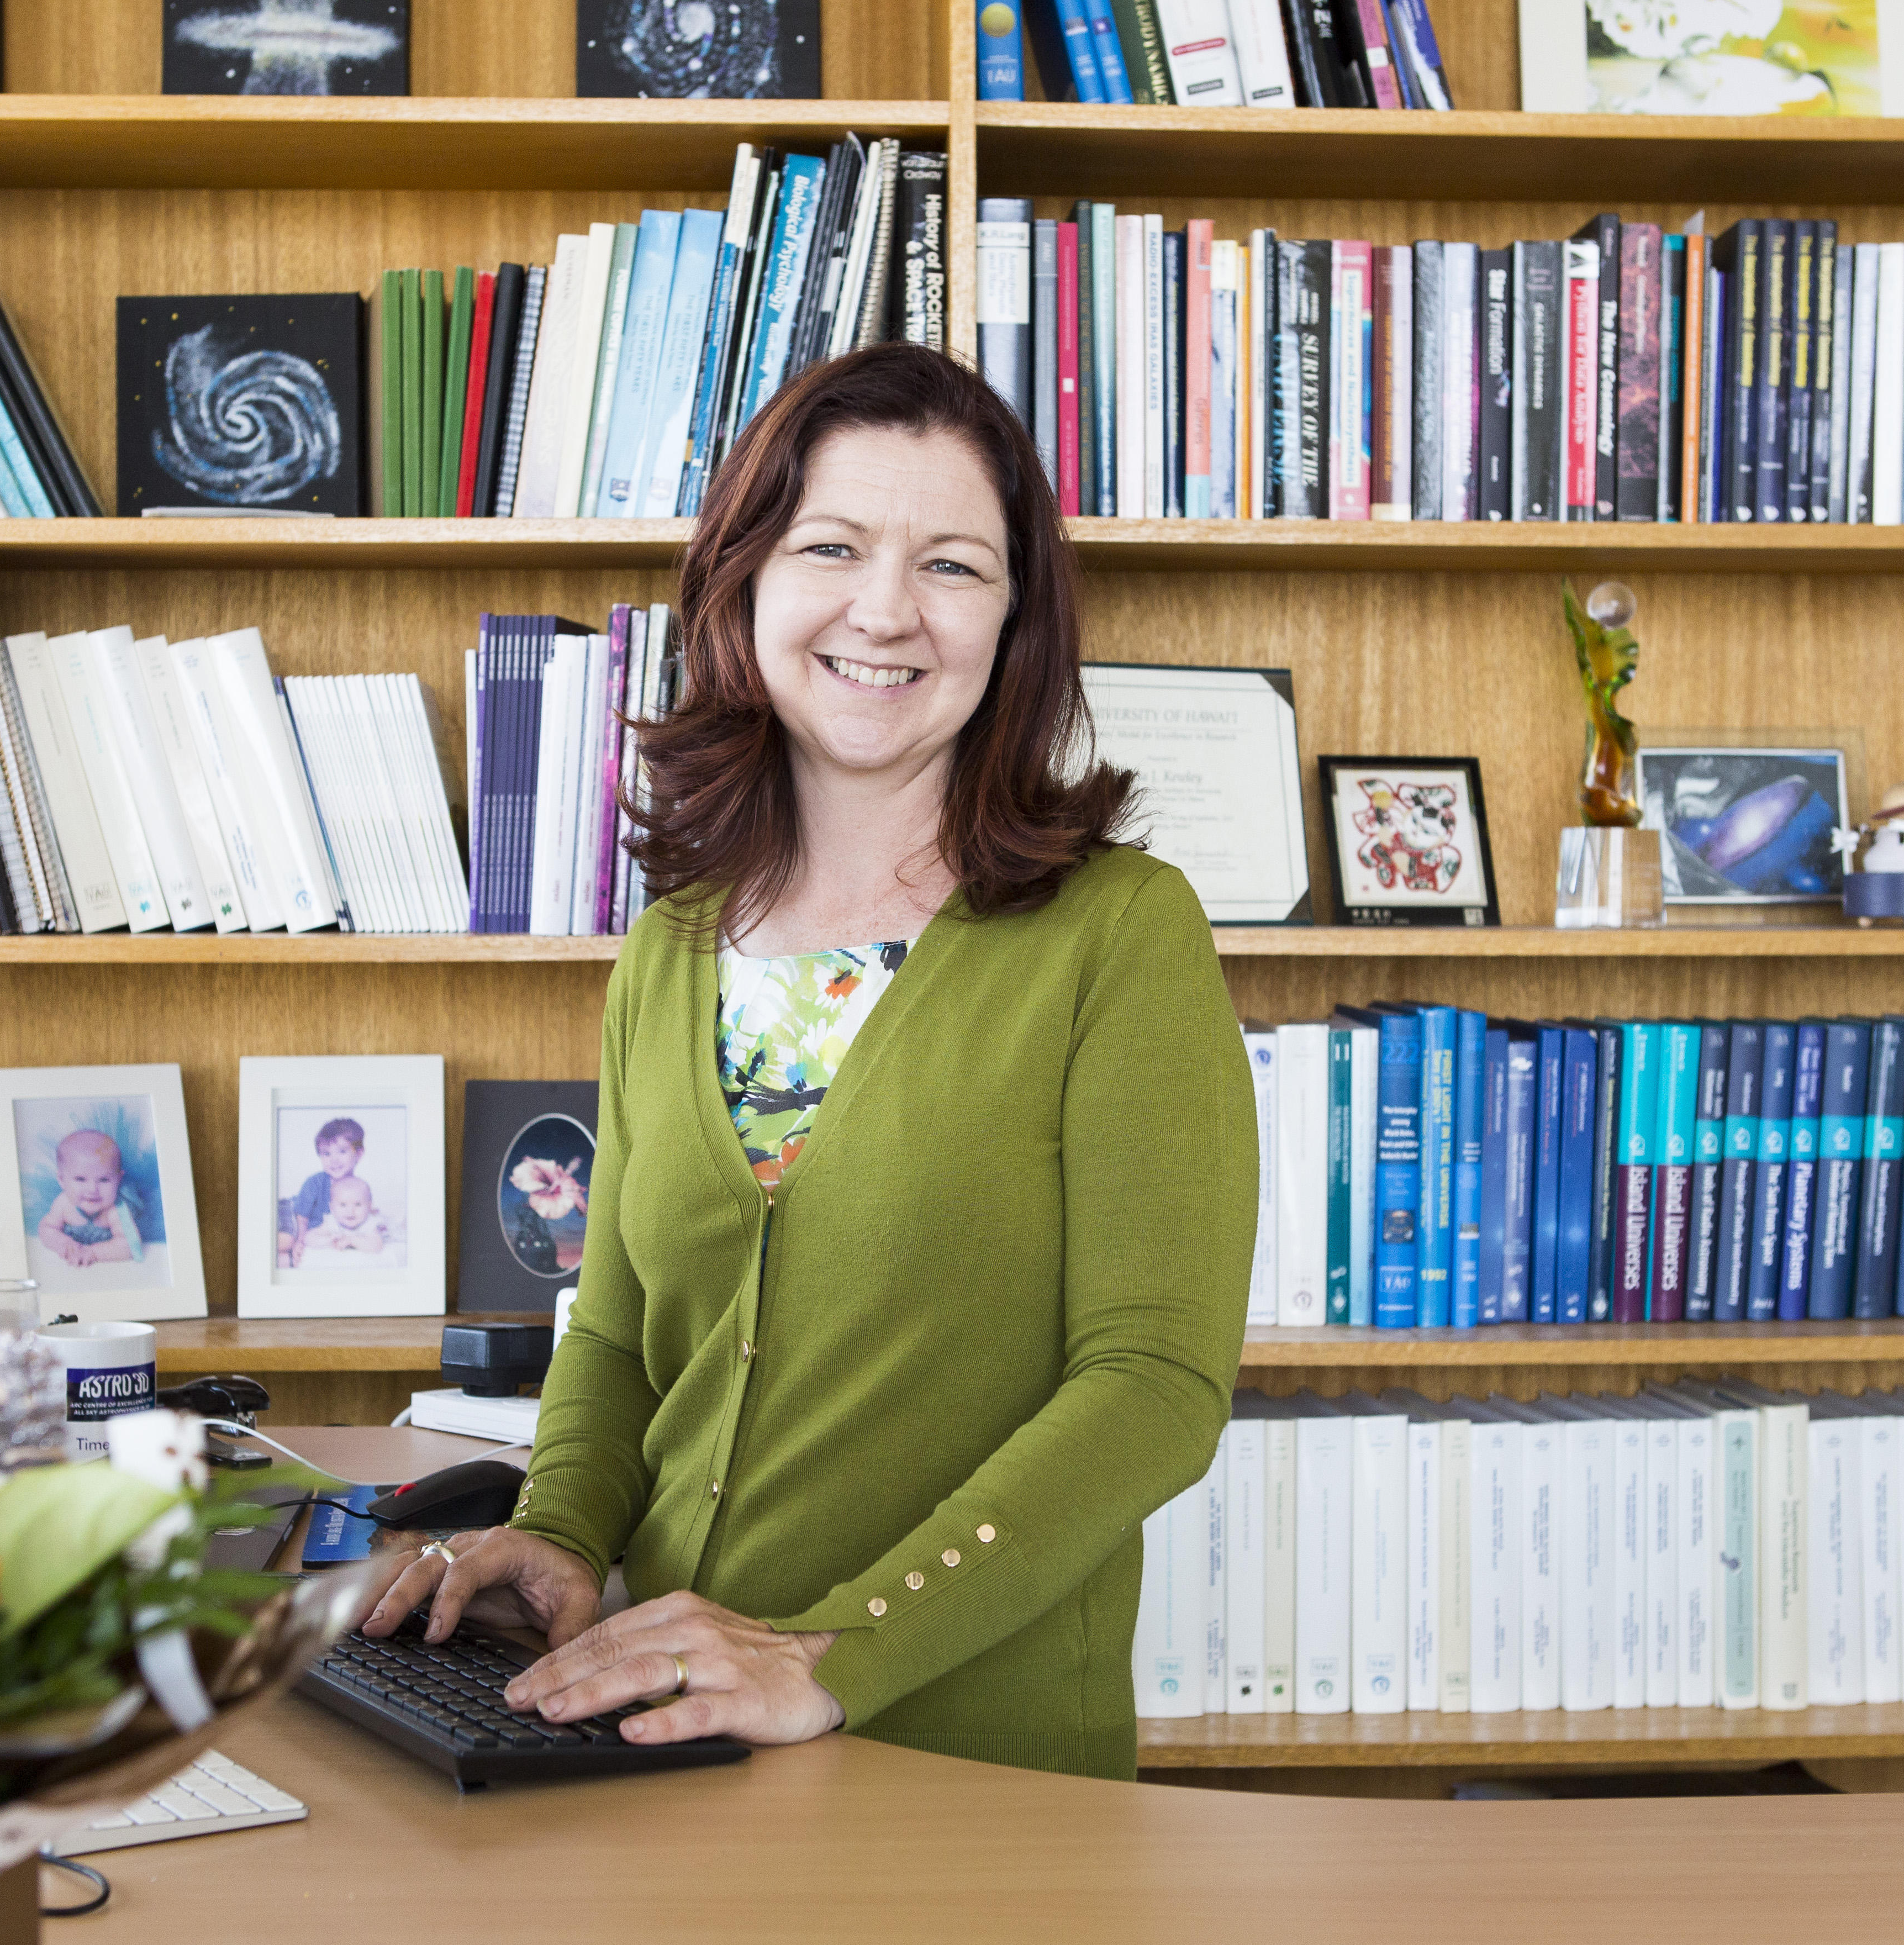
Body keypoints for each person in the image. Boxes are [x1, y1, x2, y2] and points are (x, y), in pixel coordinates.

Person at [363, 342, 1257, 1779]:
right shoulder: (670, 944)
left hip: (964, 1760)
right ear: (745, 581)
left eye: (953, 565)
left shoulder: (1120, 933)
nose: (885, 609)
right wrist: (559, 1528)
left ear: (1016, 619)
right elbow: (613, 1329)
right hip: (647, 1724)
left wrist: (827, 1652)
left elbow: (1152, 1384)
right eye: (830, 544)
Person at [35, 1128, 140, 1268]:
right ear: (61, 1180)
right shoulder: (63, 1203)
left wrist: (94, 1253)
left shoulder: (116, 1209)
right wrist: (62, 1242)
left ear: (118, 1179)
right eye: (80, 1179)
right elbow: (46, 1228)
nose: (92, 1190)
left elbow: (130, 1246)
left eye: (104, 1180)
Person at [279, 1116, 367, 1264]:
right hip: (292, 1211)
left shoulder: (357, 1188)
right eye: (327, 1154)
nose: (334, 1160)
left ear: (359, 1153)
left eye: (342, 1151)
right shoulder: (316, 1182)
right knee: (288, 1242)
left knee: (284, 1260)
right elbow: (302, 1218)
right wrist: (299, 1242)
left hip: (308, 1224)